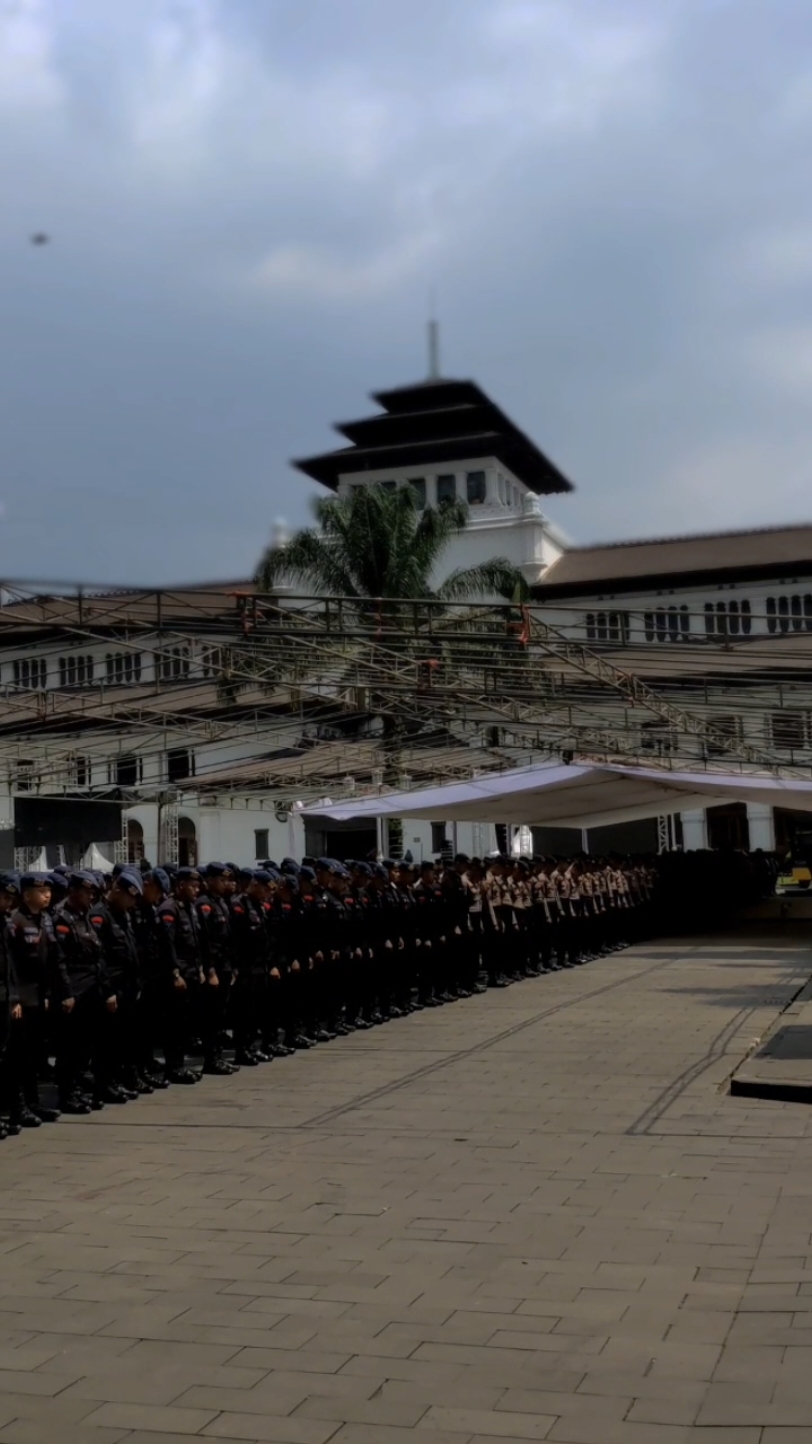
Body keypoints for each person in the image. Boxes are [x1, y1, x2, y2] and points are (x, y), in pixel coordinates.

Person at [54, 871, 120, 1111]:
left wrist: (105, 989)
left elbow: (98, 957)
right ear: (74, 891)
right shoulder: (61, 919)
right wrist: (66, 993)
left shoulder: (85, 917)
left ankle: (77, 1091)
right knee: (69, 1047)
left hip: (91, 990)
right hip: (74, 991)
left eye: (93, 893)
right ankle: (67, 1095)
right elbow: (60, 962)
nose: (91, 896)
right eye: (87, 892)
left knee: (83, 1047)